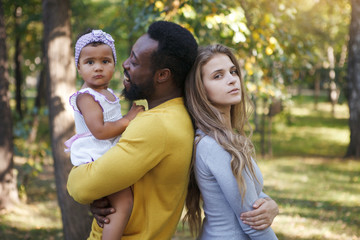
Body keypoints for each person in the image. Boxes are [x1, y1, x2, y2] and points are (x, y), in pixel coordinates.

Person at [67, 21, 198, 239]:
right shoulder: (173, 114)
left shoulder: (156, 125)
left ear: (162, 75)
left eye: (135, 62)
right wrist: (102, 199)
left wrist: (88, 187)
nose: (125, 64)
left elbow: (81, 188)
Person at [183, 44, 278, 239]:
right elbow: (252, 223)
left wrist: (271, 204)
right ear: (200, 89)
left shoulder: (225, 138)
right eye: (218, 76)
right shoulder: (215, 145)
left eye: (233, 71)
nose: (232, 80)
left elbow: (248, 196)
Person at [66, 29, 144, 240]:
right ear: (79, 68)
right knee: (123, 201)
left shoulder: (106, 93)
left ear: (114, 64)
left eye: (105, 61)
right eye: (90, 62)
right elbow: (99, 131)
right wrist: (128, 119)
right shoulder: (86, 97)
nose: (98, 67)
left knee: (119, 202)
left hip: (107, 149)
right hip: (96, 151)